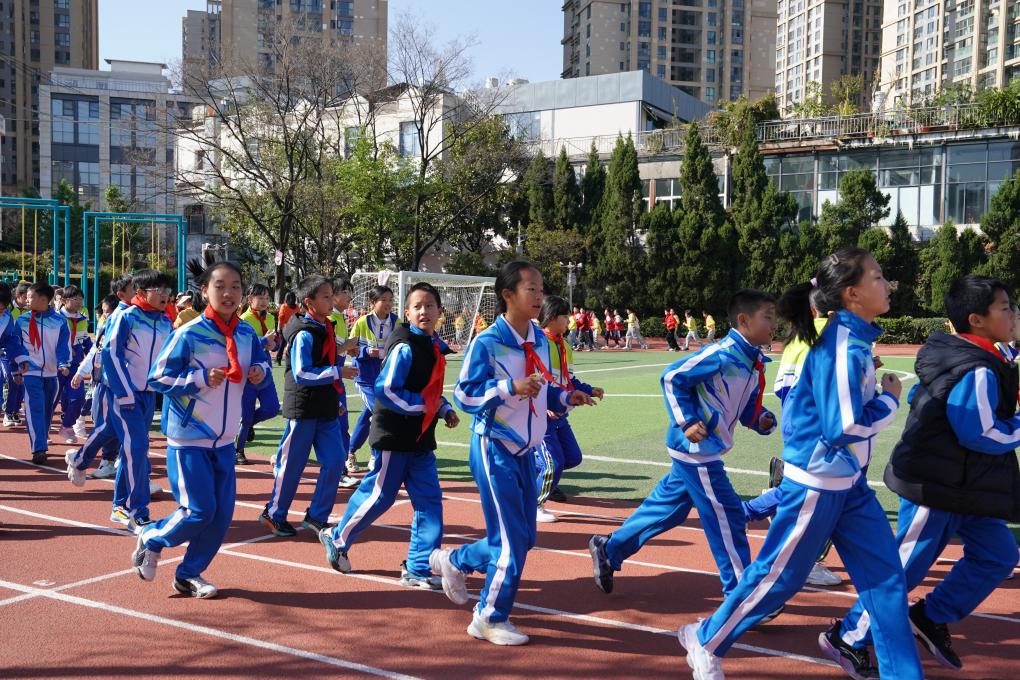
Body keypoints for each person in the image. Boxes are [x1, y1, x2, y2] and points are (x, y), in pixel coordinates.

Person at [677, 248, 922, 680]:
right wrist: (890, 400)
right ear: (851, 293)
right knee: (778, 580)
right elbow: (843, 427)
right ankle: (706, 639)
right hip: (817, 484)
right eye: (878, 277)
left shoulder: (853, 341)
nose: (888, 284)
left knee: (887, 585)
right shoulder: (840, 347)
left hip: (849, 484)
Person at [822, 274, 1020, 678]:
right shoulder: (975, 368)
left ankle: (930, 615)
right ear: (976, 320)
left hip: (967, 486)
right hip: (935, 485)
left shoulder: (981, 355)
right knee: (902, 570)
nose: (1014, 314)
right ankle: (847, 636)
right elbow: (979, 433)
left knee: (998, 554)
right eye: (1006, 308)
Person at [429, 261, 595, 646]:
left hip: (526, 449)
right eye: (530, 289)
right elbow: (465, 396)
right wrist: (509, 387)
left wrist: (566, 397)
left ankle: (454, 561)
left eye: (541, 289)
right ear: (508, 295)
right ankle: (489, 616)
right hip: (494, 446)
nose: (539, 296)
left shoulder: (540, 340)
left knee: (524, 537)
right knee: (509, 540)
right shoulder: (487, 343)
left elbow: (544, 388)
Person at [588, 289, 778, 602]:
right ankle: (742, 595)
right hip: (697, 450)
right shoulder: (721, 354)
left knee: (669, 510)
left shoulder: (753, 362)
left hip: (704, 449)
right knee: (728, 516)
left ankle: (609, 549)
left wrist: (760, 419)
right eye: (768, 317)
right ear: (744, 320)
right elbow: (672, 377)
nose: (774, 324)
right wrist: (687, 421)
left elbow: (744, 408)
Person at [132, 260, 270, 599]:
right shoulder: (188, 334)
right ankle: (152, 536)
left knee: (220, 516)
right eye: (220, 286)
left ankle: (188, 574)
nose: (228, 293)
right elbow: (157, 378)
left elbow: (261, 363)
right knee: (199, 511)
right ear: (205, 291)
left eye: (235, 286)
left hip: (224, 439)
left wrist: (259, 371)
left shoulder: (246, 334)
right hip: (189, 438)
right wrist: (199, 378)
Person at [319, 282, 460, 589]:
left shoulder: (433, 346)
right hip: (394, 436)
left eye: (430, 306)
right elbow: (386, 390)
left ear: (440, 312)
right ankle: (337, 536)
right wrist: (425, 406)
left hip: (420, 439)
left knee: (430, 501)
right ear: (406, 313)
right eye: (417, 306)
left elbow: (430, 390)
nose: (424, 311)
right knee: (380, 496)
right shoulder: (405, 347)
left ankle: (418, 567)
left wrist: (444, 408)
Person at [740, 287, 843, 588]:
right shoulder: (832, 337)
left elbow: (782, 389)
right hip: (820, 430)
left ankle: (748, 514)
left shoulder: (798, 338)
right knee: (819, 495)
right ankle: (798, 563)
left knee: (814, 494)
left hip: (798, 425)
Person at [261, 275, 358, 537]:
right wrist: (338, 372)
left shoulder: (326, 326)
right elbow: (303, 373)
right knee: (292, 464)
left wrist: (334, 398)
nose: (331, 300)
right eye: (325, 296)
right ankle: (274, 513)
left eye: (331, 295)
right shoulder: (304, 333)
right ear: (309, 302)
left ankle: (317, 516)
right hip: (303, 409)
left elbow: (327, 357)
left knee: (335, 461)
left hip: (325, 409)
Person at [101, 270, 175, 532]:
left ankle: (120, 506)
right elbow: (111, 354)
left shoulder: (165, 321)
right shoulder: (126, 317)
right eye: (159, 289)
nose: (165, 295)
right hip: (125, 394)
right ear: (141, 292)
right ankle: (137, 512)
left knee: (133, 450)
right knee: (138, 448)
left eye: (167, 290)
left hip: (149, 394)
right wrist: (124, 392)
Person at [534, 295, 603, 522]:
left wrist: (589, 389)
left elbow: (569, 379)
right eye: (565, 316)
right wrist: (544, 405)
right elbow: (533, 379)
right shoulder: (537, 343)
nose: (569, 321)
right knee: (554, 464)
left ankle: (529, 465)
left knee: (572, 458)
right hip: (542, 417)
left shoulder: (564, 345)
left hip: (561, 415)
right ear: (552, 317)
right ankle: (535, 505)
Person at [65, 294, 121, 481]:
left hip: (121, 385)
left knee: (119, 426)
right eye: (104, 313)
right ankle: (102, 460)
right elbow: (94, 352)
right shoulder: (106, 328)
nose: (105, 316)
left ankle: (120, 463)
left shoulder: (126, 326)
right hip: (102, 383)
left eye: (108, 312)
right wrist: (81, 372)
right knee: (104, 424)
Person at [14, 282, 70, 464]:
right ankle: (38, 449)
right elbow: (16, 346)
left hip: (52, 374)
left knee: (47, 411)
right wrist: (16, 370)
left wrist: (63, 363)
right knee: (35, 409)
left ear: (43, 299)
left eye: (30, 297)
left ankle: (42, 439)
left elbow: (63, 345)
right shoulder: (21, 321)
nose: (26, 300)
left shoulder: (60, 321)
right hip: (30, 372)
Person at [347, 285, 398, 476]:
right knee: (379, 411)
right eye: (383, 299)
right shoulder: (362, 322)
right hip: (365, 377)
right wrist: (367, 351)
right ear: (372, 303)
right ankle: (376, 454)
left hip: (385, 378)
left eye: (390, 300)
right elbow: (350, 349)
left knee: (368, 414)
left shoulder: (397, 322)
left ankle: (350, 451)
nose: (388, 303)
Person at [235, 283, 282, 465]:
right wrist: (263, 341)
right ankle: (238, 450)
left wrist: (274, 345)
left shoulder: (270, 317)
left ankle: (247, 425)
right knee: (246, 413)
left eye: (267, 298)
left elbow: (275, 342)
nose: (264, 301)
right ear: (249, 299)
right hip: (248, 374)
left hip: (266, 370)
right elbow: (244, 346)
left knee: (272, 408)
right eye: (260, 297)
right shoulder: (243, 320)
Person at [329, 278, 362, 485]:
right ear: (333, 295)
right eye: (345, 292)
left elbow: (337, 350)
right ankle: (283, 459)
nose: (350, 296)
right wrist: (347, 346)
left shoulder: (341, 317)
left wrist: (347, 349)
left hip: (336, 379)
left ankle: (340, 471)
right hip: (326, 379)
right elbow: (326, 354)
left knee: (341, 426)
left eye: (350, 292)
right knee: (306, 429)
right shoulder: (328, 318)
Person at [57, 286, 91, 444]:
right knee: (51, 401)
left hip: (75, 367)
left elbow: (85, 340)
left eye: (81, 299)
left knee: (78, 398)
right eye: (75, 299)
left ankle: (67, 426)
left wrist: (95, 355)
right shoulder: (56, 318)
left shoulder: (83, 319)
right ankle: (43, 431)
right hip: (56, 366)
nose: (79, 302)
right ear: (64, 301)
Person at [1, 283, 26, 427]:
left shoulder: (7, 316)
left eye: (4, 306)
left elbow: (11, 339)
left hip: (4, 352)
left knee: (12, 378)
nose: (1, 310)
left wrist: (21, 358)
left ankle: (9, 411)